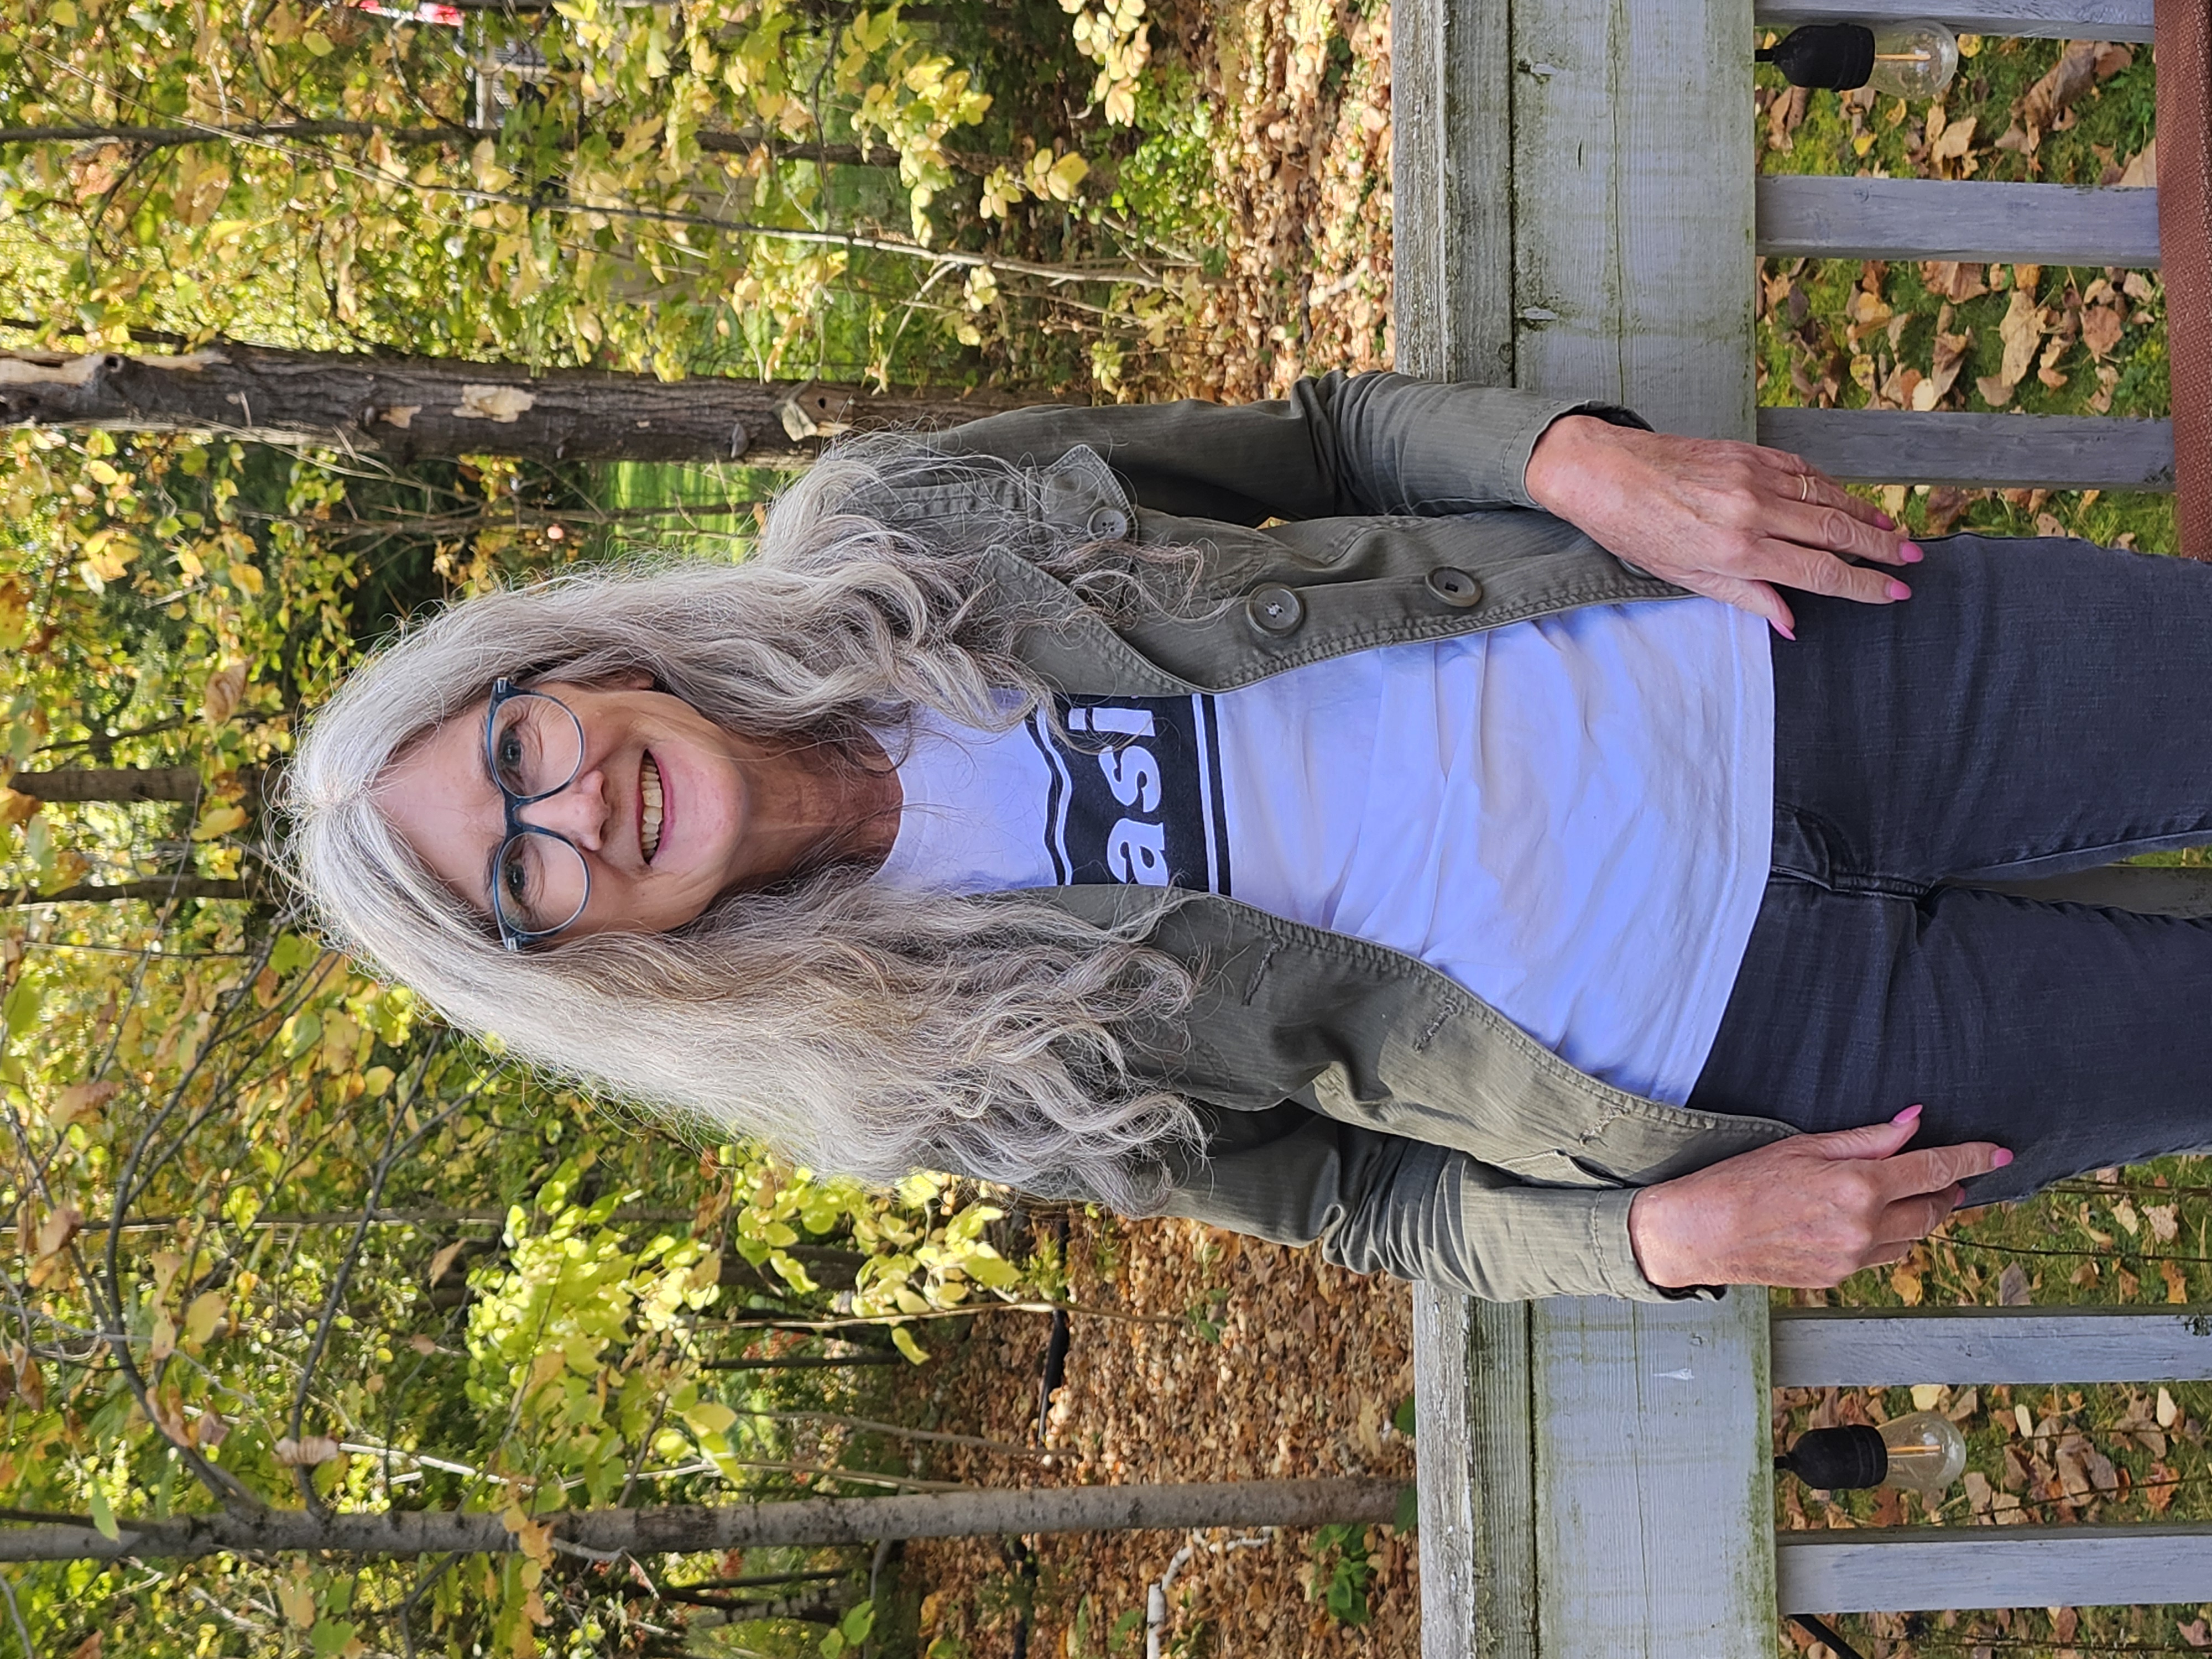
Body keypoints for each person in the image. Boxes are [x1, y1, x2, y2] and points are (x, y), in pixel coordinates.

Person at [288, 371, 2212, 1303]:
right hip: (1761, 1048)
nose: (573, 810)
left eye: (518, 746)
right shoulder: (909, 1074)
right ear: (570, 957)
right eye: (514, 869)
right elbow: (1346, 1201)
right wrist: (1658, 1239)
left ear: (569, 665)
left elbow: (1323, 442)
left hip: (1775, 670)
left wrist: (1581, 465)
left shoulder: (900, 517)